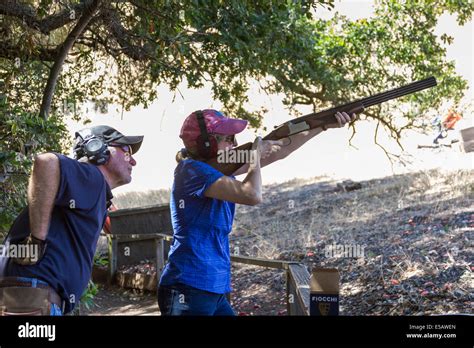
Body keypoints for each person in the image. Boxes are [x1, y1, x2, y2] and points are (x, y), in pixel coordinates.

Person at [158, 109, 355, 316]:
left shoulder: (214, 171)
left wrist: (323, 125)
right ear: (207, 143)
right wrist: (254, 157)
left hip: (212, 287)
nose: (234, 143)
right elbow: (251, 194)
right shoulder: (190, 170)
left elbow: (279, 151)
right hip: (188, 286)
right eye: (228, 138)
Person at [0, 125, 143, 315]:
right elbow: (46, 162)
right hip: (32, 300)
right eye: (127, 151)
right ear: (98, 148)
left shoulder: (92, 189)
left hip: (30, 298)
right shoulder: (92, 177)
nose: (133, 161)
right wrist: (37, 241)